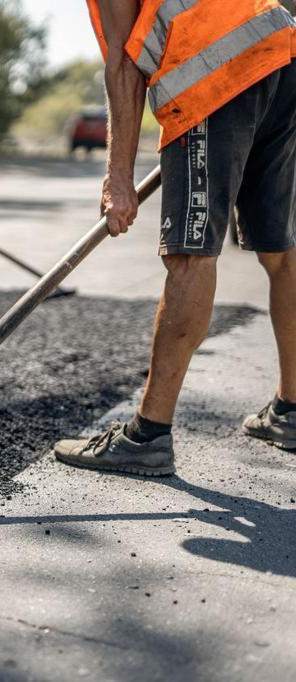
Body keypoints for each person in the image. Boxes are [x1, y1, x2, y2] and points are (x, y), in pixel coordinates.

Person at [53, 0, 296, 475]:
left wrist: (118, 179)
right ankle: (292, 410)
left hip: (210, 77)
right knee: (281, 251)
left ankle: (147, 435)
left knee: (190, 255)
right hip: (282, 56)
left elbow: (124, 62)